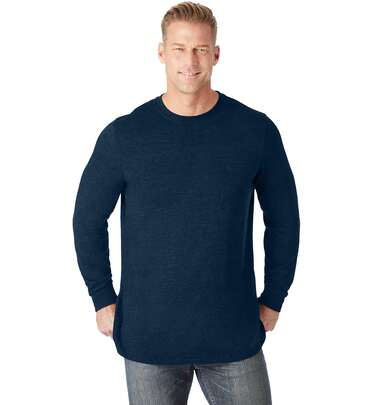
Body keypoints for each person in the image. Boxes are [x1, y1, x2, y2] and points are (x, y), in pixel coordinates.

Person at [72, 2, 300, 404]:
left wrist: (274, 296)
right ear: (162, 52)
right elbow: (87, 219)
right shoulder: (125, 136)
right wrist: (102, 296)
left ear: (216, 54)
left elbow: (284, 218)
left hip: (232, 332)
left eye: (200, 49)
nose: (190, 61)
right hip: (149, 336)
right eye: (179, 49)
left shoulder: (255, 131)